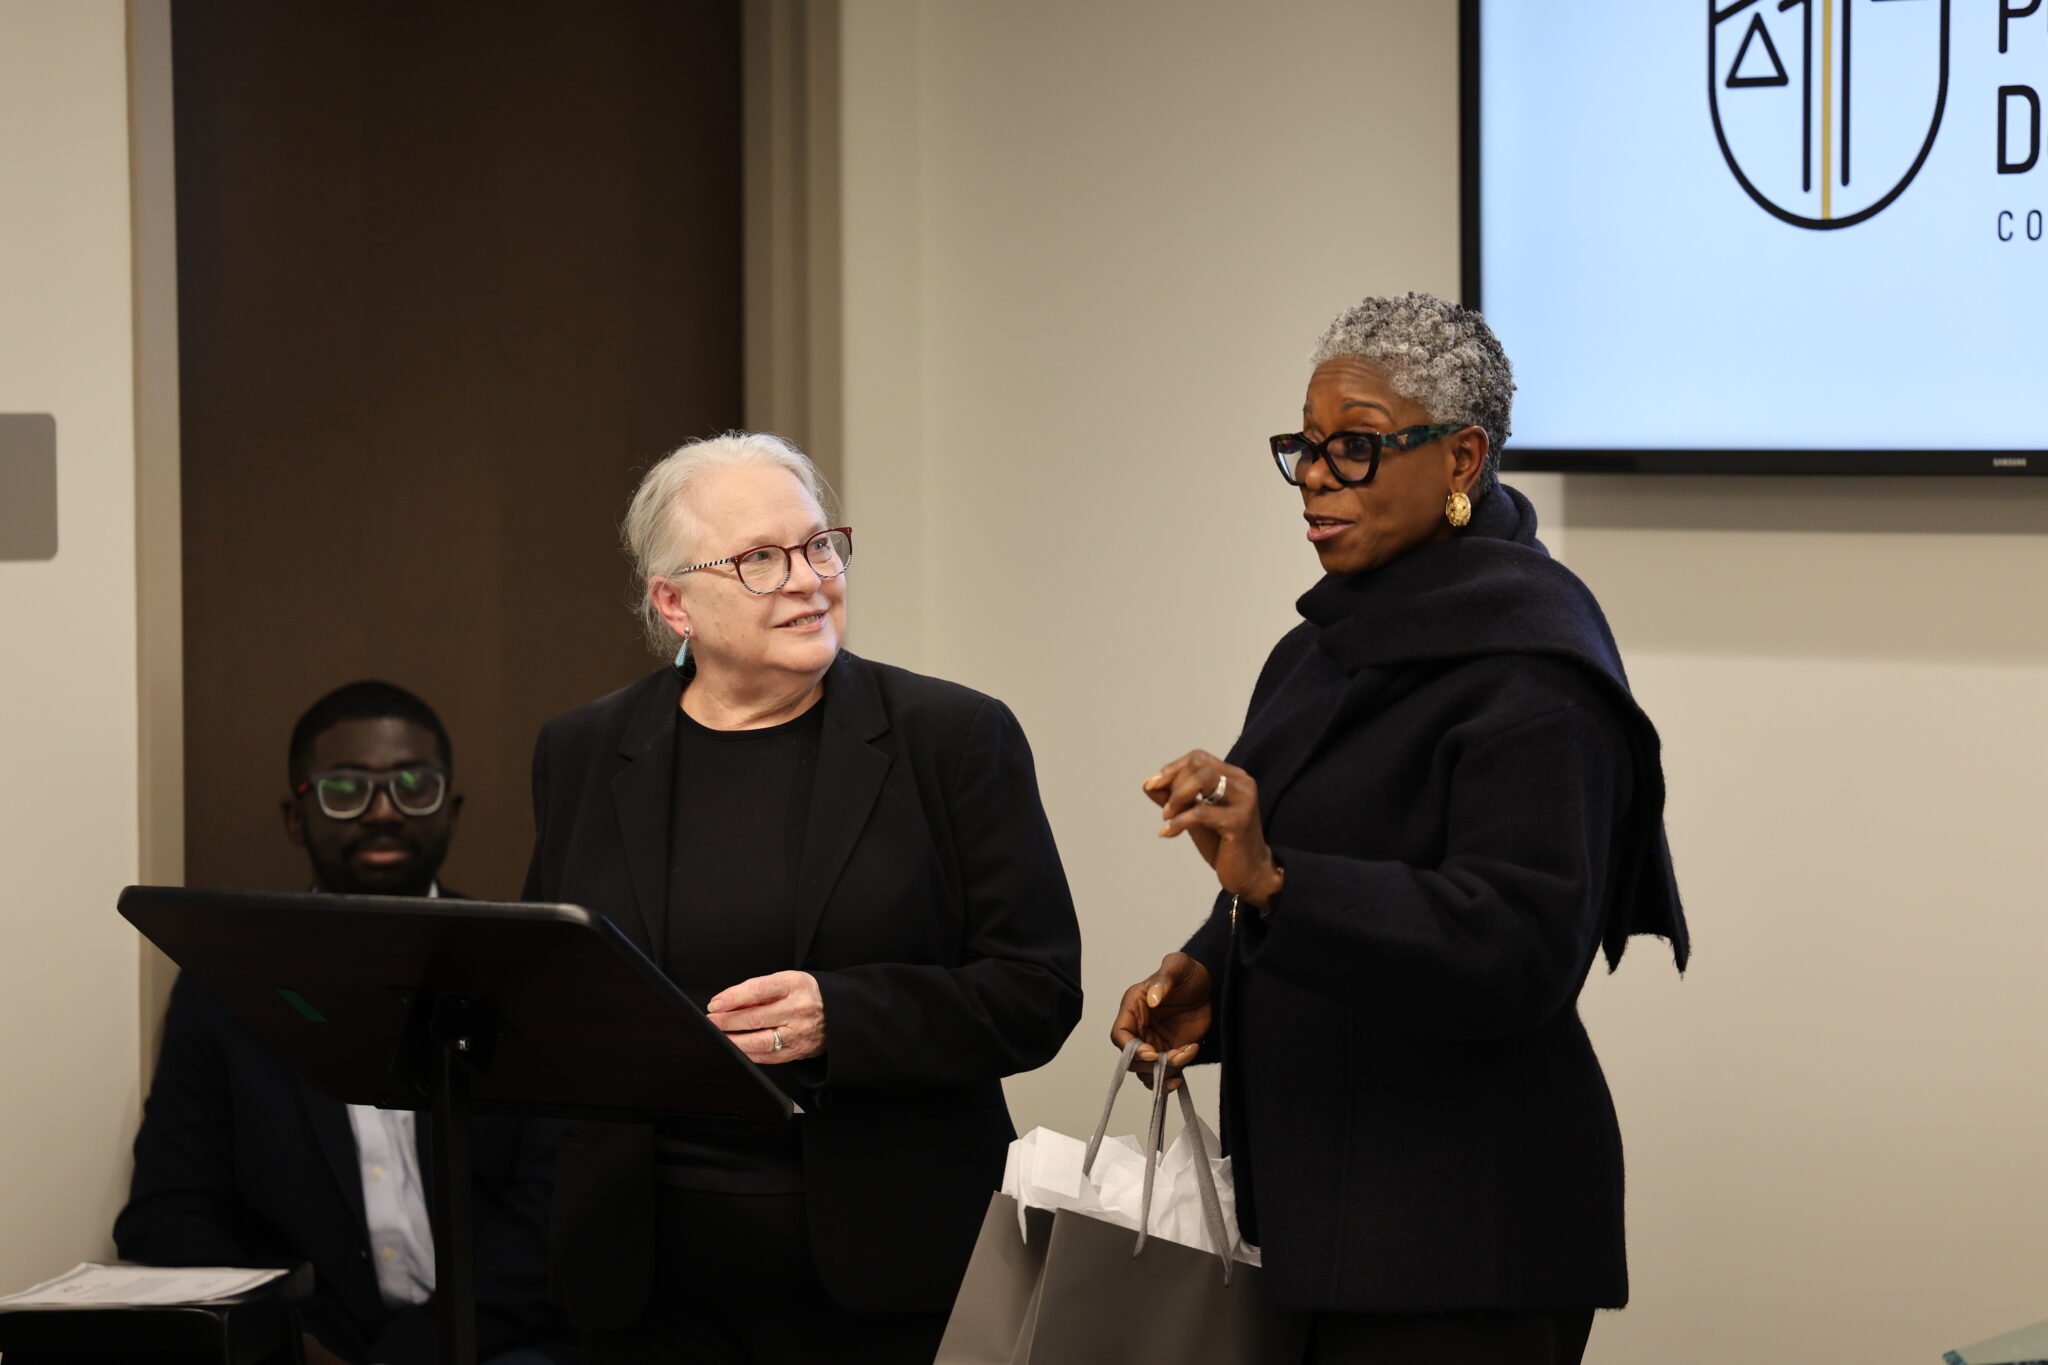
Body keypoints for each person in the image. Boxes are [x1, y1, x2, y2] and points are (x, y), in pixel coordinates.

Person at [1112, 294, 1689, 1365]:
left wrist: (1277, 884)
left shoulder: (1532, 670)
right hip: (1313, 1221)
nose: (1318, 475)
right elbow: (1301, 889)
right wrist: (1210, 972)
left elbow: (1516, 945)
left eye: (1358, 447)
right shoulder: (1321, 647)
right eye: (1306, 446)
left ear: (1461, 457)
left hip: (1460, 1241)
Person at [524, 431, 1083, 1364]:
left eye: (821, 544)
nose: (808, 578)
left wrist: (844, 1015)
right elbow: (559, 989)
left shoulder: (954, 738)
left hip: (891, 1278)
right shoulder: (582, 750)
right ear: (674, 603)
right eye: (759, 559)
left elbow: (1038, 991)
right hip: (644, 1283)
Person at [116, 681, 576, 1365]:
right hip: (305, 1348)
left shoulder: (523, 968)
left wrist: (411, 1354)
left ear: (451, 811)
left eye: (414, 785)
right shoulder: (224, 986)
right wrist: (281, 1340)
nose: (383, 811)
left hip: (498, 1343)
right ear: (295, 816)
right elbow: (168, 1211)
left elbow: (559, 1207)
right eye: (345, 788)